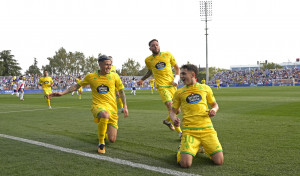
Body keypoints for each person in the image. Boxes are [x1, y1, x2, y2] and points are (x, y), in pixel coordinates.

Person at [50, 55, 129, 154]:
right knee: (104, 115)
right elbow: (77, 85)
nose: (109, 67)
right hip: (98, 106)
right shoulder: (91, 77)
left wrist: (125, 106)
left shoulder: (114, 76)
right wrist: (62, 93)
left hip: (112, 108)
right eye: (106, 65)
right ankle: (101, 144)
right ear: (100, 64)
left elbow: (121, 92)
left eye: (110, 64)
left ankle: (103, 131)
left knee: (112, 139)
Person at [170, 64, 224, 168]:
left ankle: (200, 147)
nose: (181, 76)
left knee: (219, 161)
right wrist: (174, 119)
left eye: (184, 74)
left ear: (193, 74)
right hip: (189, 131)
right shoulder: (179, 92)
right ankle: (181, 149)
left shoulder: (205, 88)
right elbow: (173, 112)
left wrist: (214, 110)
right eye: (181, 74)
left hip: (207, 130)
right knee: (185, 164)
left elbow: (215, 105)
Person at [138, 39, 182, 137]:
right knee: (170, 106)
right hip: (162, 86)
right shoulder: (148, 60)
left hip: (172, 85)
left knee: (177, 111)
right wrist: (142, 79)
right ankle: (180, 133)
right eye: (153, 45)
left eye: (157, 45)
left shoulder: (167, 55)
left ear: (159, 46)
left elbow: (177, 68)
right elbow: (150, 71)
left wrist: (176, 79)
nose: (155, 46)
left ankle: (167, 121)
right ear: (150, 48)